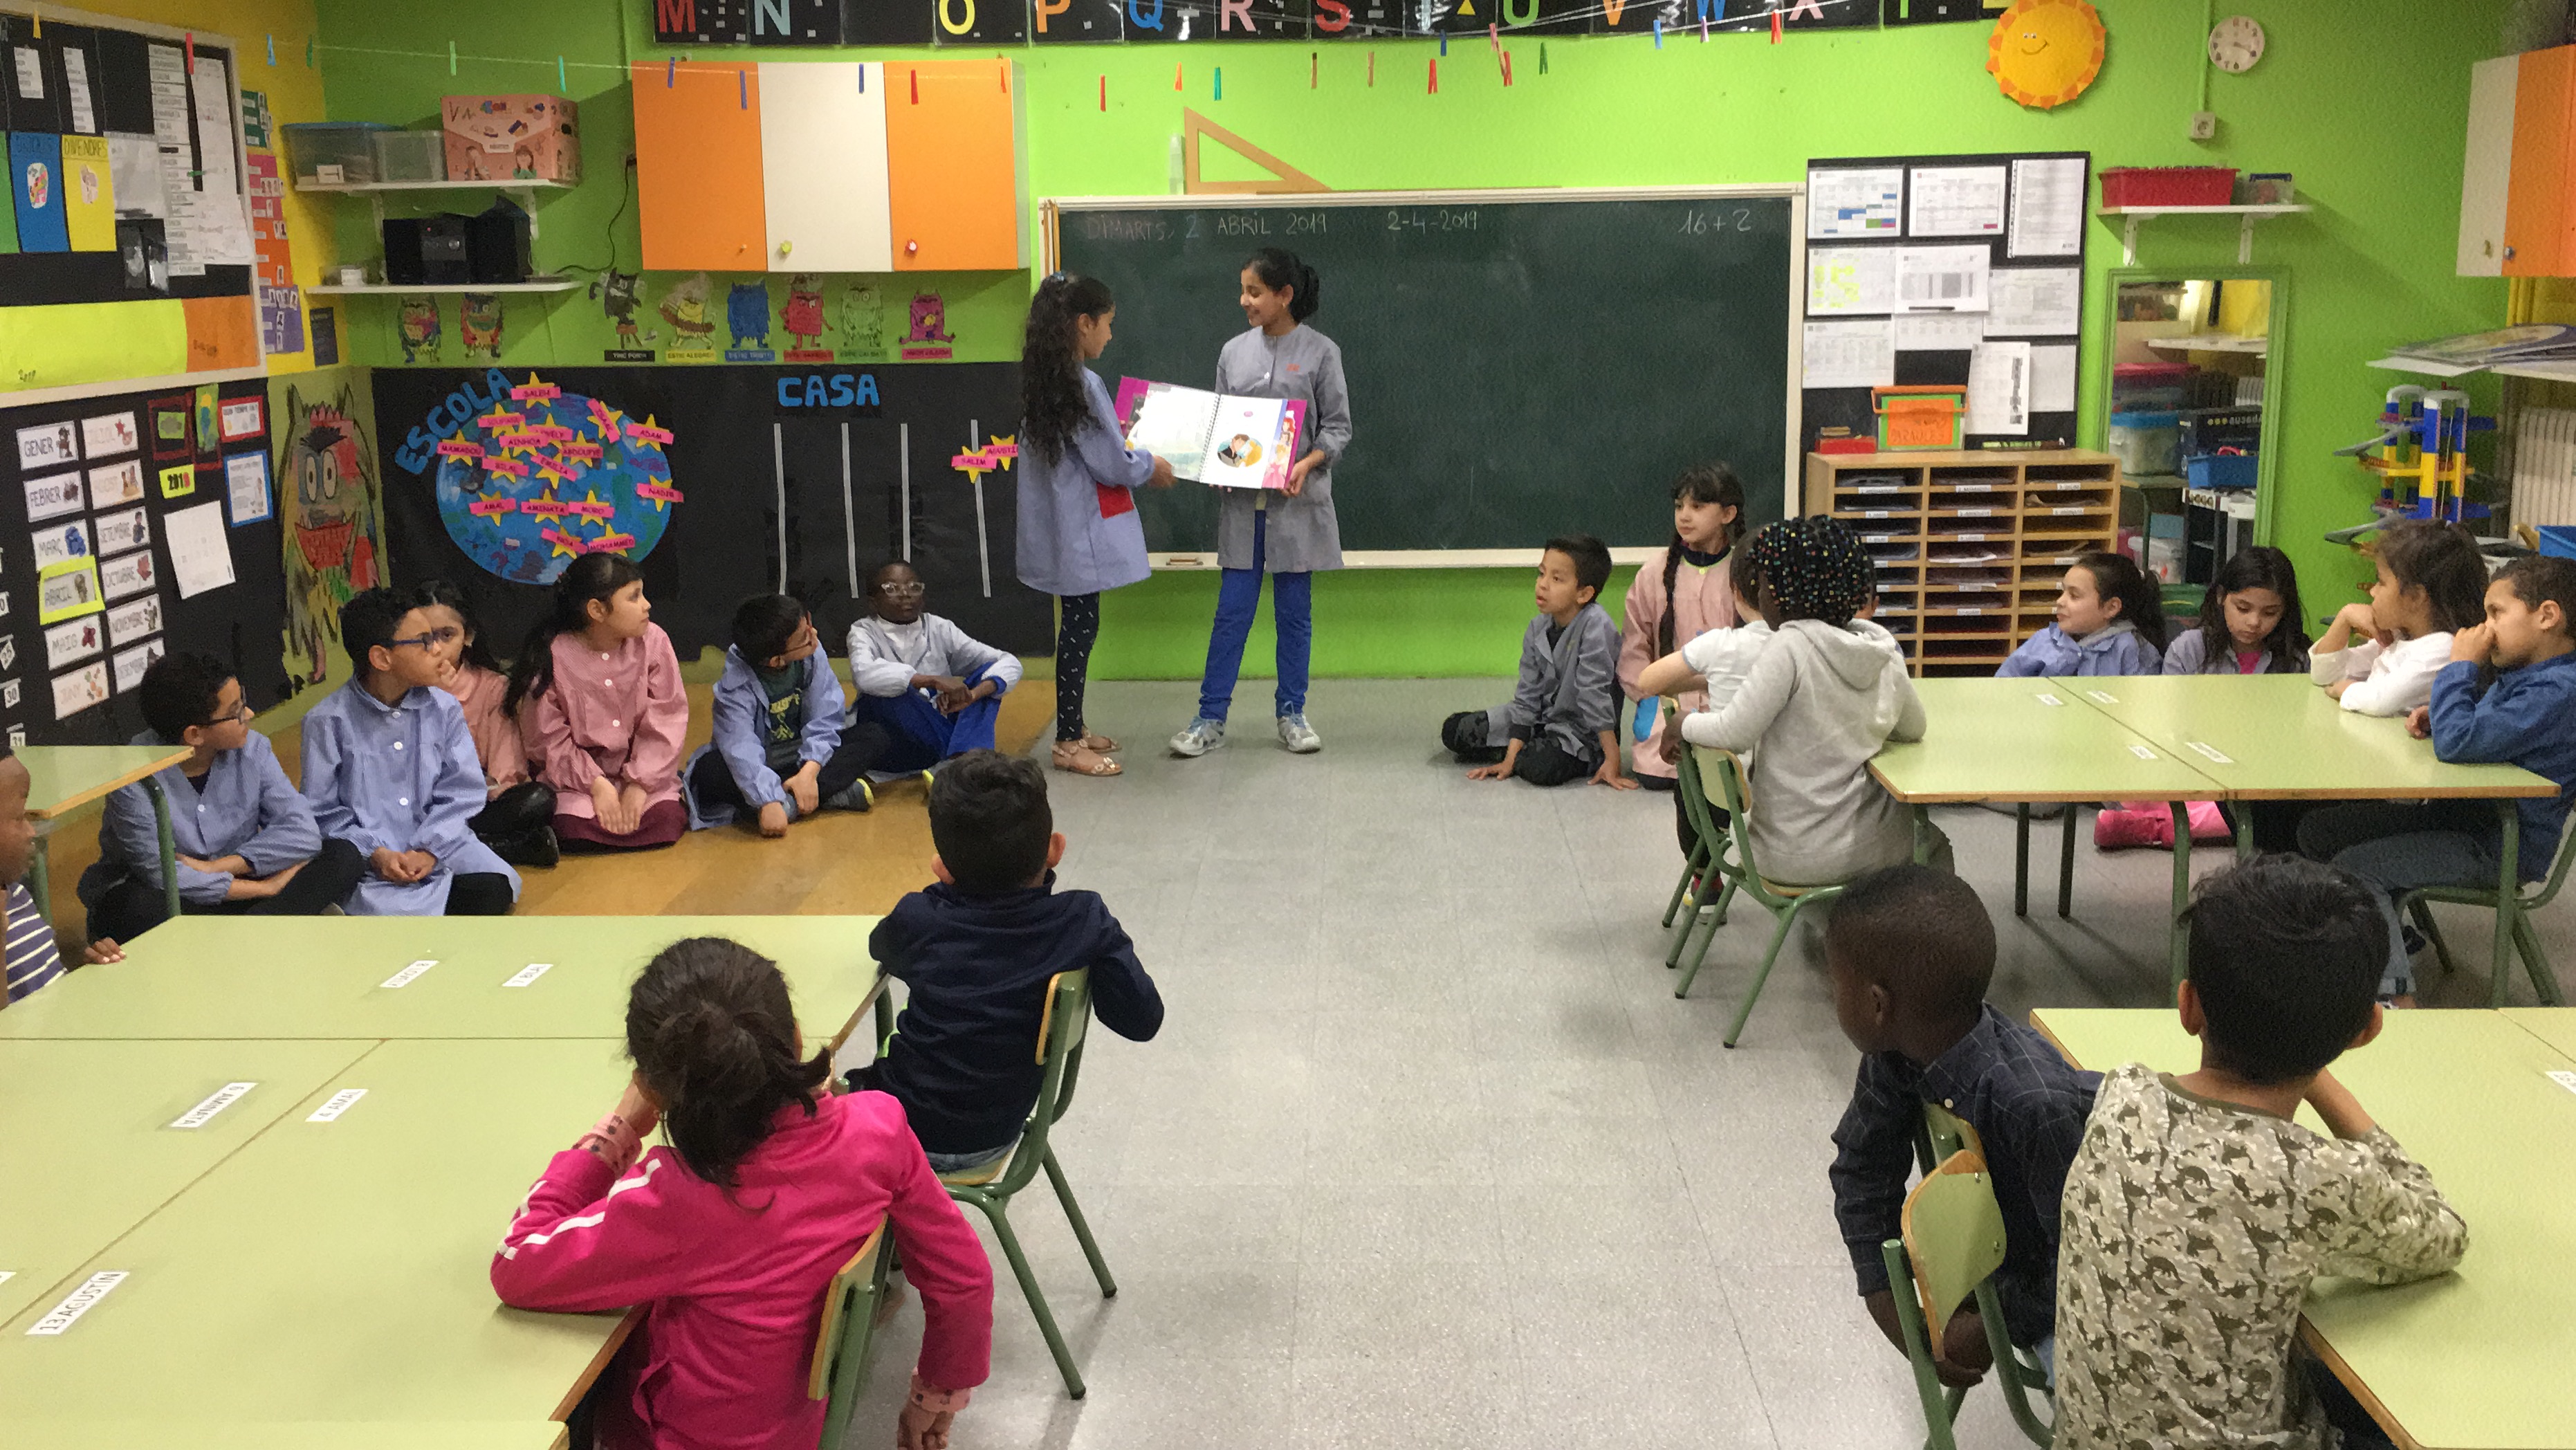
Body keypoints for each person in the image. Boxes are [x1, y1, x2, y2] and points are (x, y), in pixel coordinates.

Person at [490, 936, 994, 1450]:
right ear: (796, 1038)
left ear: (652, 1088)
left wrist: (616, 1132)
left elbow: (516, 1265)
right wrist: (936, 1397)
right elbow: (963, 1277)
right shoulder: (879, 1128)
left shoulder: (675, 1196)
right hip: (795, 1429)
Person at [2052, 856, 2467, 1450]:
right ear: (2367, 1031)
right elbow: (2443, 1236)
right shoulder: (2319, 1177)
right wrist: (2325, 1083)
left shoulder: (2123, 1093)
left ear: (2188, 1006)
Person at [1825, 865, 2099, 1387]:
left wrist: (1991, 1325)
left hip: (2098, 1260)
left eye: (1836, 984)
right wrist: (1897, 1314)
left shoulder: (2034, 1107)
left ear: (1877, 1004)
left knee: (2086, 1396)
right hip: (2023, 1263)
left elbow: (2081, 1262)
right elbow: (1861, 1172)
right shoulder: (1896, 1053)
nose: (1833, 996)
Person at [861, 750, 1163, 1175]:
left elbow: (882, 949)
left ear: (942, 867)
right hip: (996, 1134)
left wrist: (942, 896)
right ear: (1054, 849)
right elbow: (1142, 1021)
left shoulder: (921, 918)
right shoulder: (1082, 920)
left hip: (893, 1135)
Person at [2301, 555, 2576, 1001]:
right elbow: (2481, 732)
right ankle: (2385, 941)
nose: (2485, 628)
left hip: (2498, 844)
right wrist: (2441, 715)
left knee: (2359, 867)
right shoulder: (2527, 675)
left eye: (2497, 613)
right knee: (2321, 831)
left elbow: (2459, 744)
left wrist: (2458, 667)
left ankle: (2393, 996)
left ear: (2546, 616)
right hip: (2462, 818)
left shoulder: (2558, 690)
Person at [1680, 517, 1938, 884]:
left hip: (1786, 852)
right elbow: (1914, 729)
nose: (1760, 595)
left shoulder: (1790, 645)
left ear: (1783, 593)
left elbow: (1732, 732)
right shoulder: (1880, 646)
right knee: (1934, 845)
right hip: (1865, 846)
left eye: (1764, 584)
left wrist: (1682, 724)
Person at [1170, 248, 1353, 759]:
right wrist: (1216, 467)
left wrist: (1308, 462)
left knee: (1295, 616)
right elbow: (1221, 428)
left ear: (1284, 295)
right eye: (1243, 291)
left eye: (1254, 292)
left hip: (1297, 508)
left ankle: (1292, 713)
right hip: (1242, 511)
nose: (1244, 301)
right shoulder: (1233, 352)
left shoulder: (1322, 352)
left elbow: (1338, 428)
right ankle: (1209, 719)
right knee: (1231, 615)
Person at [76, 652, 365, 949]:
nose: (249, 714)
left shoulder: (253, 749)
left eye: (243, 702)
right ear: (195, 734)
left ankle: (236, 938)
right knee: (135, 906)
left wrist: (219, 867)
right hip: (178, 898)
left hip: (237, 886)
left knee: (344, 854)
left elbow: (304, 832)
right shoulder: (133, 777)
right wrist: (265, 889)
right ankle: (267, 925)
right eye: (236, 711)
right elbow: (163, 875)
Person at [1015, 271, 1177, 778]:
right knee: (1080, 631)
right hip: (1078, 532)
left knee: (1077, 626)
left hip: (1060, 528)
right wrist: (1150, 465)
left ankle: (1075, 724)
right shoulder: (1084, 384)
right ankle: (1067, 742)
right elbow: (1112, 463)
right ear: (1084, 324)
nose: (1110, 334)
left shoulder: (1048, 378)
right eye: (1107, 323)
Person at [298, 589, 519, 916]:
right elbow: (322, 811)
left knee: (500, 885)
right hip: (372, 858)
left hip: (441, 844)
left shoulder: (444, 707)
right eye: (424, 641)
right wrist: (377, 853)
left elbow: (463, 790)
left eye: (438, 637)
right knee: (385, 907)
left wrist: (431, 849)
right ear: (382, 659)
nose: (438, 649)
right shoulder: (327, 721)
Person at [508, 553, 689, 852]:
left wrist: (639, 784)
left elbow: (667, 717)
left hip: (641, 774)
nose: (647, 605)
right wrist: (597, 785)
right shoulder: (552, 655)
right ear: (597, 610)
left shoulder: (655, 641)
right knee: (570, 824)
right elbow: (546, 738)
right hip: (579, 783)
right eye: (634, 597)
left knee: (666, 818)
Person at [1439, 534, 1635, 789]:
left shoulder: (1596, 626)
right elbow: (1528, 694)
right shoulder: (1537, 627)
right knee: (1455, 731)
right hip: (1540, 722)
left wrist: (1612, 758)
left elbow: (1594, 695)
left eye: (1556, 579)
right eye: (1541, 574)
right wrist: (1510, 760)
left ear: (1584, 593)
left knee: (1538, 767)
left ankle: (1579, 757)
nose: (1542, 585)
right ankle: (1523, 750)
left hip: (1581, 734)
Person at [683, 593, 881, 838]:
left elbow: (826, 717)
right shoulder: (734, 686)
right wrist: (766, 799)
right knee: (710, 771)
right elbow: (740, 747)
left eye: (808, 625)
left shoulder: (810, 653)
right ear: (776, 661)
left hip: (801, 754)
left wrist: (809, 772)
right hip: (763, 759)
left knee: (874, 735)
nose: (814, 635)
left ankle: (793, 801)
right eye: (804, 637)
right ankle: (817, 795)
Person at [413, 578, 558, 868]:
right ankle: (503, 848)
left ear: (468, 636)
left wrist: (483, 790)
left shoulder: (493, 687)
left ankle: (455, 848)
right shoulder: (403, 688)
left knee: (539, 799)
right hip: (418, 801)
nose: (436, 648)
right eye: (424, 638)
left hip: (475, 798)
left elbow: (506, 769)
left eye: (447, 635)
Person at [1619, 464, 1746, 791]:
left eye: (1698, 506)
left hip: (1729, 700)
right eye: (1679, 506)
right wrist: (1649, 695)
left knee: (1730, 774)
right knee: (1655, 774)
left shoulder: (1744, 572)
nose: (1684, 516)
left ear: (1728, 514)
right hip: (1669, 700)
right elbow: (1634, 646)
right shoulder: (1654, 572)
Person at [845, 560, 1024, 777]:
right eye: (891, 589)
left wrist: (973, 695)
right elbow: (864, 675)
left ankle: (961, 760)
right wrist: (931, 680)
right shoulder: (863, 631)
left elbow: (1008, 662)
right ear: (873, 602)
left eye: (914, 587)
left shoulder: (939, 627)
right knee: (890, 692)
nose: (905, 595)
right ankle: (966, 762)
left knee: (989, 678)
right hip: (895, 744)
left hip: (936, 731)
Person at [2308, 519, 2487, 716]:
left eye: (2381, 582)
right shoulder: (2400, 637)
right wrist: (2345, 617)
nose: (2373, 591)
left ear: (2414, 597)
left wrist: (2347, 689)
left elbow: (2380, 701)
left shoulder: (2441, 648)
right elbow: (2325, 676)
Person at [0, 743, 107, 999]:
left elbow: (45, 993)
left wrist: (88, 974)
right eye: (19, 818)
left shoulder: (16, 895)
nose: (31, 831)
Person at [1997, 551, 2166, 677]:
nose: (2060, 601)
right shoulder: (2045, 639)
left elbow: (2144, 704)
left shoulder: (2131, 649)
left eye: (2074, 596)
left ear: (2111, 607)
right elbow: (2005, 683)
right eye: (2063, 592)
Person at [2162, 545, 2310, 675]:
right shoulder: (2189, 650)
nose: (2254, 622)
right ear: (2221, 596)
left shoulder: (2298, 658)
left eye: (2270, 613)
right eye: (2243, 609)